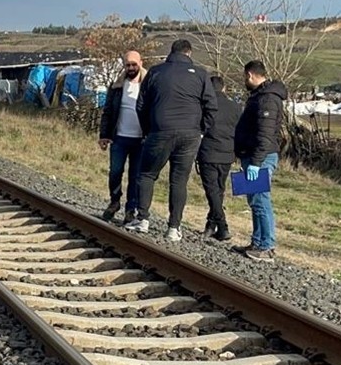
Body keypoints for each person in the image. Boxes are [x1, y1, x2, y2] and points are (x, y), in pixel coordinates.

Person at [125, 39, 216, 242]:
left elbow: (141, 104)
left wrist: (148, 129)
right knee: (179, 180)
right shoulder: (201, 74)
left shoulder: (156, 72)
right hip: (190, 133)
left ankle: (142, 218)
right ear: (189, 53)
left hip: (160, 131)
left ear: (171, 52)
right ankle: (174, 227)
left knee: (147, 174)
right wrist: (202, 130)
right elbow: (211, 106)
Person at [233, 60, 288, 263]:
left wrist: (256, 162)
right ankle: (257, 242)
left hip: (260, 157)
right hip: (252, 155)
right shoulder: (259, 96)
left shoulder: (267, 100)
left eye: (244, 77)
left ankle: (266, 246)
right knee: (254, 201)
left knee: (260, 200)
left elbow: (264, 135)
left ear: (250, 75)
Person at [97, 51, 147, 224]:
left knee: (136, 176)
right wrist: (104, 135)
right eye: (128, 65)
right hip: (119, 138)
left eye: (134, 64)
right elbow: (108, 111)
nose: (131, 68)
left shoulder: (149, 85)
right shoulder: (117, 86)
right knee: (115, 172)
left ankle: (130, 209)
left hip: (141, 140)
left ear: (141, 63)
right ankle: (114, 201)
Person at [197, 75, 242, 241]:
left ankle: (222, 226)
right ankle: (211, 224)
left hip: (208, 152)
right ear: (224, 88)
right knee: (218, 191)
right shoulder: (235, 107)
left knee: (212, 191)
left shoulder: (204, 105)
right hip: (227, 153)